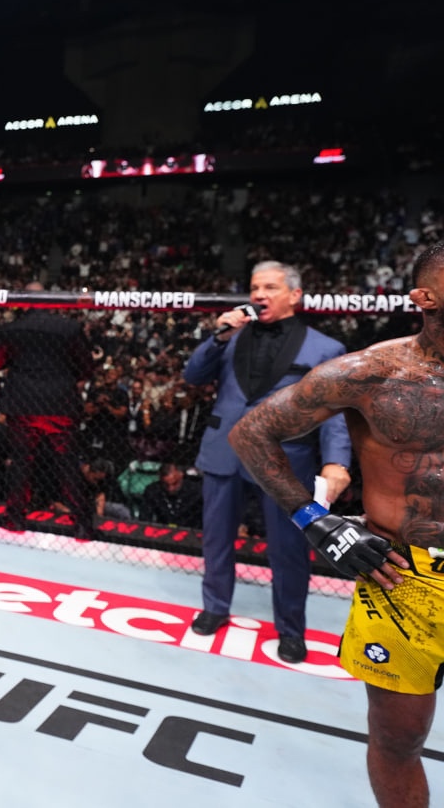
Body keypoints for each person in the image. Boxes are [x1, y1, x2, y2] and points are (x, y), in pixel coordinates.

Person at [219, 248, 444, 808]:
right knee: (399, 738)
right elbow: (250, 433)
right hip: (406, 579)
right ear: (425, 298)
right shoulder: (371, 373)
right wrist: (317, 523)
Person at [182, 261, 351, 663]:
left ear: (294, 295)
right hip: (224, 451)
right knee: (216, 539)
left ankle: (291, 629)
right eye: (255, 287)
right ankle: (214, 607)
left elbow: (334, 413)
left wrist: (336, 462)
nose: (259, 294)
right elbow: (193, 376)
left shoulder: (324, 348)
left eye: (270, 287)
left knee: (289, 548)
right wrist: (219, 337)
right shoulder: (231, 337)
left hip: (285, 459)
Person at [0, 284, 95, 537]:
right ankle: (82, 522)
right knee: (67, 463)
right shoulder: (69, 328)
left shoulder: (12, 329)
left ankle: (15, 518)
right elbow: (87, 367)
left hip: (24, 403)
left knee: (21, 462)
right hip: (59, 403)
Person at [139, 462, 202, 528]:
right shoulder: (153, 490)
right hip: (162, 529)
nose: (170, 489)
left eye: (175, 483)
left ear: (181, 475)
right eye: (165, 484)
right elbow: (144, 517)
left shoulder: (196, 491)